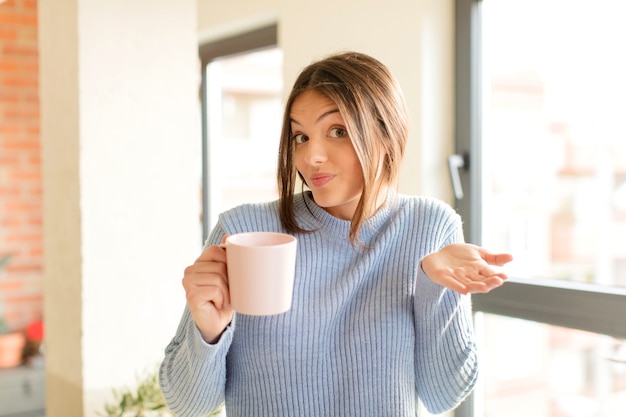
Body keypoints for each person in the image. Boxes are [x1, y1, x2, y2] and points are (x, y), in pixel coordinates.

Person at [159, 51, 513, 417]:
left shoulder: (430, 225)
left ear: (385, 131)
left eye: (337, 131)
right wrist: (209, 331)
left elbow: (445, 393)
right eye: (300, 136)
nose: (311, 156)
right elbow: (188, 405)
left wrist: (434, 287)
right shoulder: (244, 231)